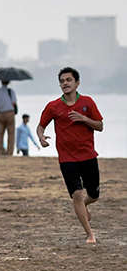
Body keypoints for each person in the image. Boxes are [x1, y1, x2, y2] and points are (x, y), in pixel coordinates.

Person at [37, 67, 104, 244]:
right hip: (67, 159)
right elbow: (41, 126)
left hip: (88, 155)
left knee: (94, 195)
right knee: (77, 195)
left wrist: (83, 119)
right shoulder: (53, 106)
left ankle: (83, 206)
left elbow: (100, 125)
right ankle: (90, 234)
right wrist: (41, 137)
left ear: (77, 83)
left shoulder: (87, 102)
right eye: (62, 81)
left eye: (68, 80)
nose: (65, 83)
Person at [0, 79, 18, 155]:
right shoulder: (11, 91)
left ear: (1, 82)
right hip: (10, 113)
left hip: (0, 114)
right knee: (11, 134)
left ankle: (0, 151)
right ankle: (9, 152)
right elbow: (14, 103)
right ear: (8, 82)